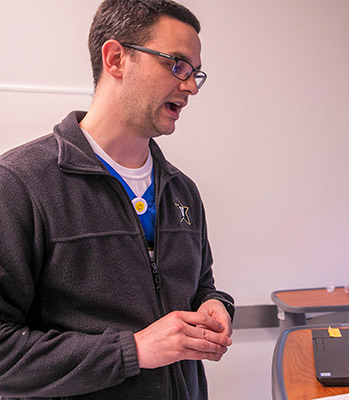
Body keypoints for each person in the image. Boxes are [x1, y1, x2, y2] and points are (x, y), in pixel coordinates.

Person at [0, 1, 234, 399]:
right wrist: (134, 351)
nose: (191, 86)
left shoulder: (182, 190)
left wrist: (216, 305)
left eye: (195, 73)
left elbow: (202, 286)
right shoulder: (19, 184)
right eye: (176, 63)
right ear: (116, 59)